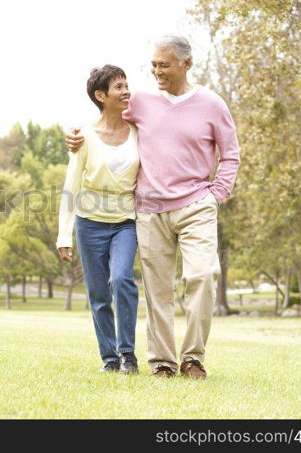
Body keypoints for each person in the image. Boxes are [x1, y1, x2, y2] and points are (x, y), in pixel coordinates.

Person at [65, 36, 240, 378]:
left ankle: (193, 358)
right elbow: (108, 120)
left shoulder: (212, 104)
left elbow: (230, 153)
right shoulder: (141, 100)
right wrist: (75, 135)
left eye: (164, 65)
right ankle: (162, 362)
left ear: (186, 65)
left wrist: (217, 193)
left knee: (203, 276)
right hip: (149, 208)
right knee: (158, 290)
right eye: (154, 64)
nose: (156, 71)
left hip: (196, 205)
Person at [56, 65, 141, 373]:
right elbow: (71, 184)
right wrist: (64, 235)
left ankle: (127, 354)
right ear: (101, 96)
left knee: (121, 280)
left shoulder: (138, 130)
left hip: (125, 222)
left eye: (127, 84)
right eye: (119, 87)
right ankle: (110, 359)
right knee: (99, 295)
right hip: (89, 222)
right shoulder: (84, 136)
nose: (126, 91)